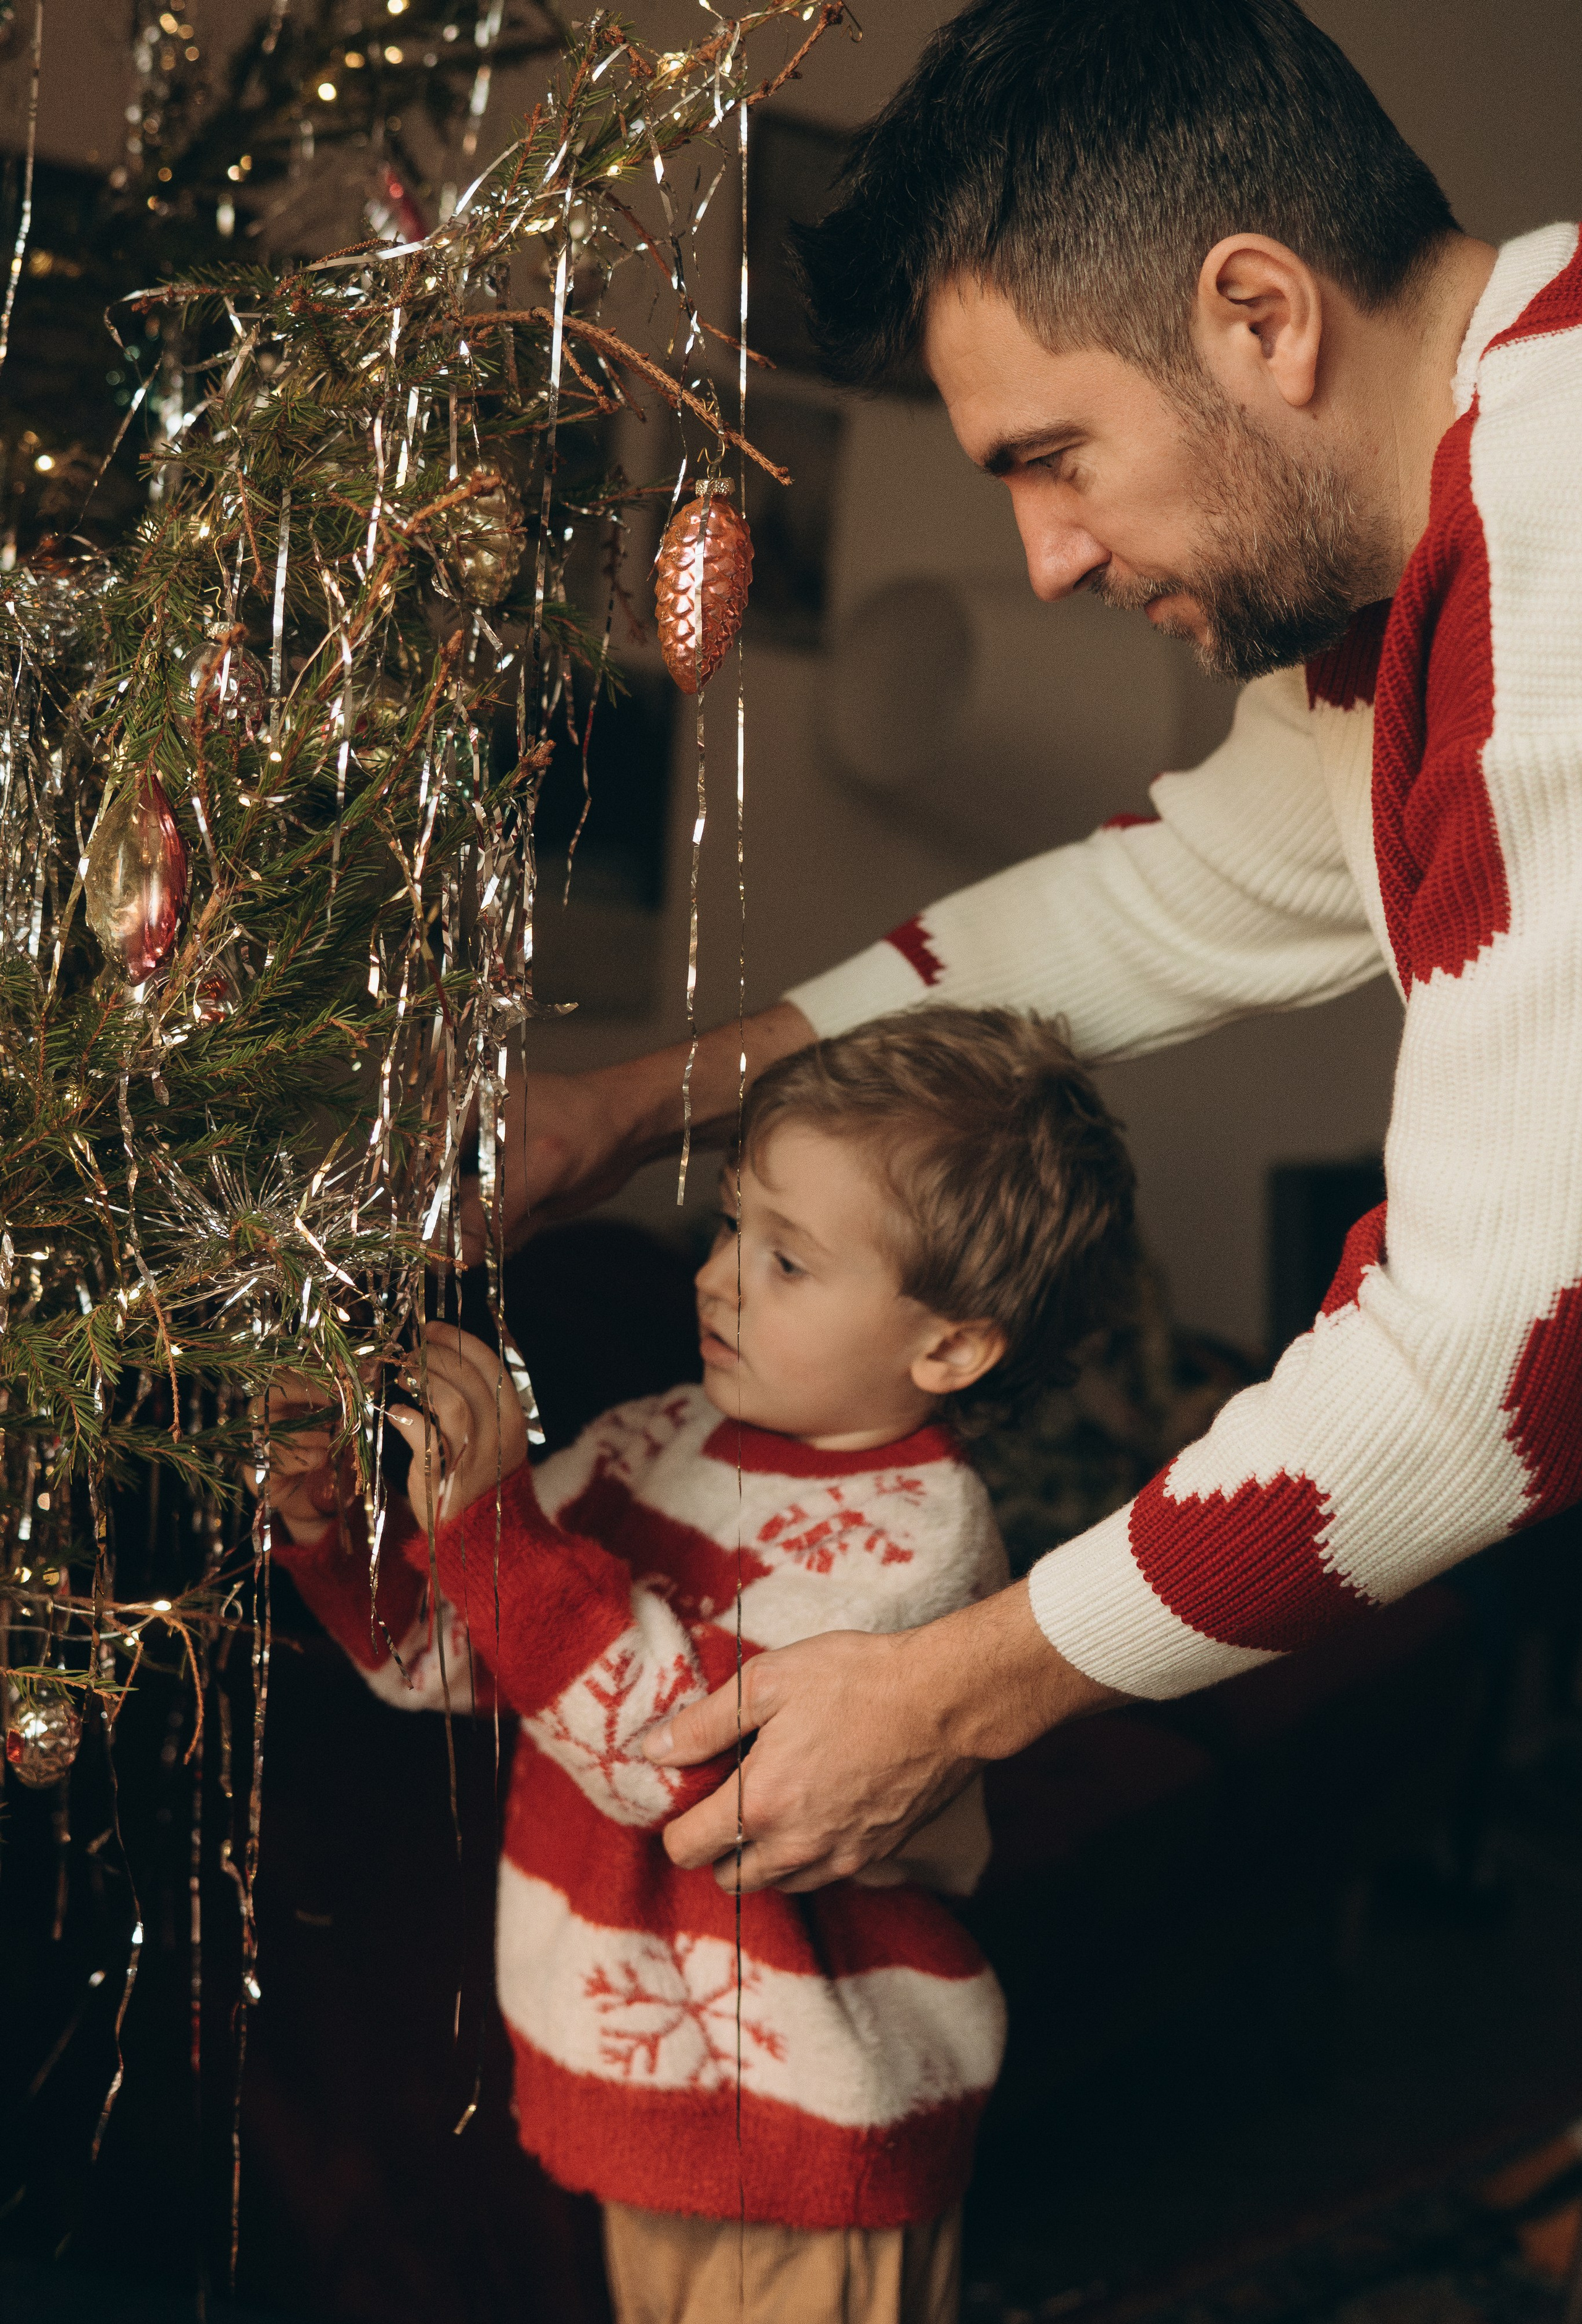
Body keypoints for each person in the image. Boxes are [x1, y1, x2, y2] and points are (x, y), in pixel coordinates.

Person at [483, 0, 1582, 1898]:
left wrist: (950, 1691)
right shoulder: (1421, 565)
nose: (1045, 561)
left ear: (1263, 315)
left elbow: (1493, 1362)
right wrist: (624, 1110)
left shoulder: (1554, 535)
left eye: (1055, 454)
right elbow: (1131, 912)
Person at [266, 1009, 1135, 2324]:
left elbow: (684, 1774)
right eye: (731, 1225)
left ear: (950, 1349)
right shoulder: (655, 1439)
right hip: (638, 2094)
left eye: (787, 1259)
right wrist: (338, 1526)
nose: (721, 1278)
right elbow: (442, 1659)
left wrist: (500, 1536)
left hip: (802, 2124)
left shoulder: (917, 1542)